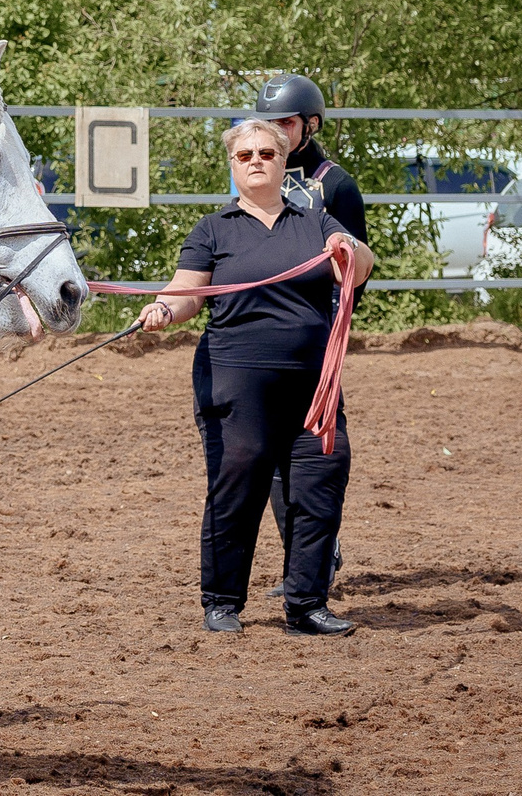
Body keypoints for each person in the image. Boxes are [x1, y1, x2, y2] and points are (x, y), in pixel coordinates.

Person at [139, 115, 374, 636]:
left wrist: (351, 249)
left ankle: (307, 605)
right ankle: (222, 601)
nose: (256, 162)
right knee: (237, 487)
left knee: (317, 489)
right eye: (245, 156)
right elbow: (188, 292)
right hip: (234, 381)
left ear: (284, 159)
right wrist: (161, 310)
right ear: (233, 165)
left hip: (314, 386)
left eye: (266, 153)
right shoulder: (213, 230)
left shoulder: (315, 222)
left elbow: (359, 269)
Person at [251, 72, 368, 592]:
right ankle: (303, 555)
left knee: (314, 447)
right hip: (261, 332)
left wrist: (334, 326)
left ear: (309, 124)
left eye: (285, 123)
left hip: (316, 332)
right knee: (272, 453)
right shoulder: (255, 175)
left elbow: (357, 266)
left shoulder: (335, 184)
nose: (274, 132)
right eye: (268, 122)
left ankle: (319, 552)